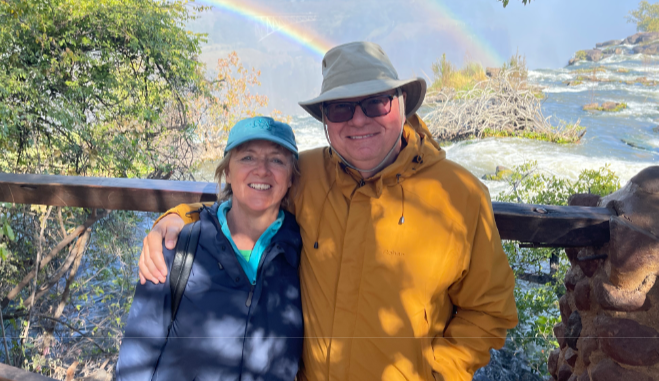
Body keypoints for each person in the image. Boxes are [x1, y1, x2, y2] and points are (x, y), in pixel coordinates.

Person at [139, 42, 518, 380]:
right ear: (325, 121)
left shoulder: (460, 195)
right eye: (340, 108)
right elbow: (243, 201)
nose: (358, 119)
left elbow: (490, 309)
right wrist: (176, 220)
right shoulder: (306, 175)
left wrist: (441, 369)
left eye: (376, 103)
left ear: (401, 104)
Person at [116, 117, 304, 381]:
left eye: (277, 160)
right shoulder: (177, 246)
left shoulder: (304, 251)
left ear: (291, 179)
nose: (262, 170)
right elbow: (137, 357)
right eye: (247, 157)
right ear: (227, 171)